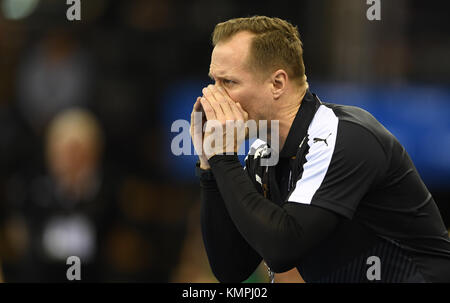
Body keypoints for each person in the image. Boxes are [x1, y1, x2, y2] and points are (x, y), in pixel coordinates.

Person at [190, 16, 450, 283]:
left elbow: (283, 248)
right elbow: (231, 269)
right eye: (213, 82)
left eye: (228, 83)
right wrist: (209, 166)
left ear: (277, 83)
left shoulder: (342, 136)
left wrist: (223, 156)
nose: (212, 98)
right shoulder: (263, 153)